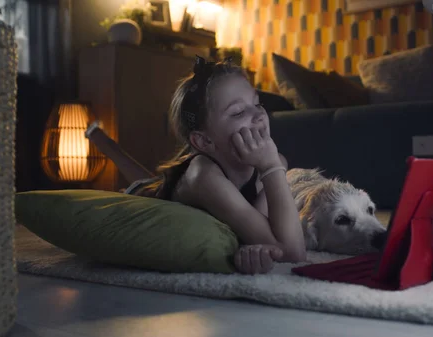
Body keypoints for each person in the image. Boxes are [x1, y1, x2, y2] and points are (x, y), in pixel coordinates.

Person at [128, 56, 306, 274]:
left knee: (151, 177)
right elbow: (292, 252)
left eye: (257, 102)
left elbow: (270, 236)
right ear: (204, 141)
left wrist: (272, 166)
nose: (259, 114)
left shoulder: (273, 161)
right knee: (142, 184)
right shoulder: (204, 177)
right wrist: (271, 169)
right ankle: (98, 136)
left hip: (165, 180)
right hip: (146, 196)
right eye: (239, 112)